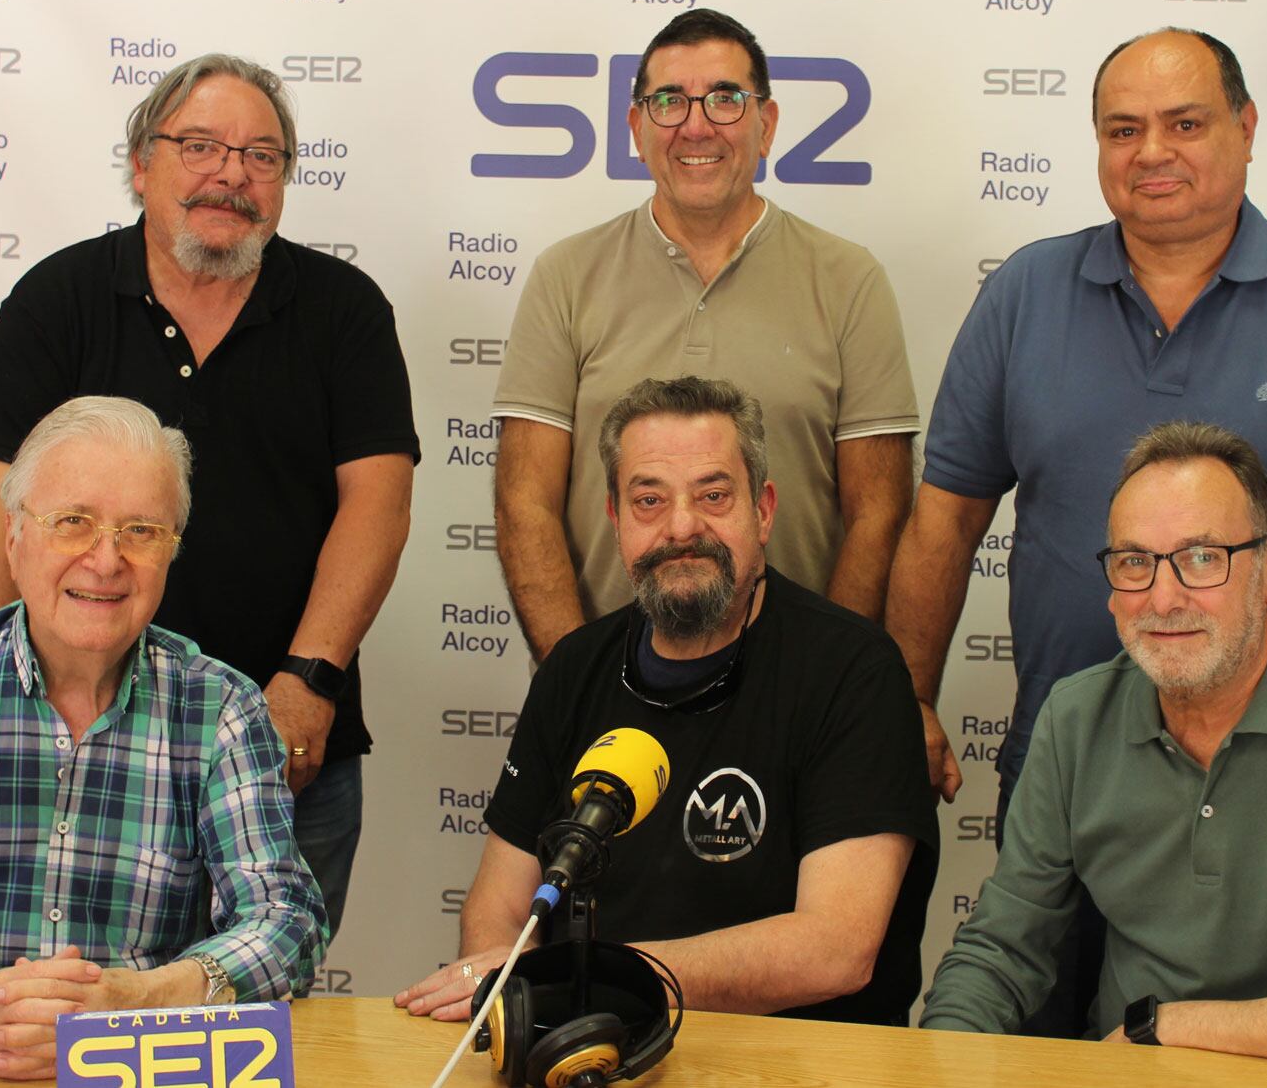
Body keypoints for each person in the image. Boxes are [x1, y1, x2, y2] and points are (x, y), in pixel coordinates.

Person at [887, 28, 1267, 896]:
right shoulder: (1022, 296)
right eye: (1123, 129)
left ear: (1247, 127)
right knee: (1043, 1020)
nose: (1152, 153)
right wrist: (908, 702)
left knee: (1266, 1030)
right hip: (1067, 770)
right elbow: (944, 520)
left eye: (1185, 123)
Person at [0, 53, 418, 940]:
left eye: (261, 156)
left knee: (264, 1027)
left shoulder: (344, 311)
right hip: (79, 746)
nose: (231, 174)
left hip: (287, 746)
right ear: (140, 163)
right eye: (200, 145)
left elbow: (378, 506)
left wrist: (309, 680)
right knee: (67, 1025)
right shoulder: (54, 303)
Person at [0, 397, 328, 1081]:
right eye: (73, 521)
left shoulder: (221, 707)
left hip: (135, 1068)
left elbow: (289, 920)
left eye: (141, 530)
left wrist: (143, 999)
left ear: (172, 550)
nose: (106, 560)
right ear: (14, 537)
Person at [919, 421, 1267, 1073]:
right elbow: (1002, 951)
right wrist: (934, 1064)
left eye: (1203, 557)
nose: (1164, 597)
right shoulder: (1074, 719)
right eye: (1135, 561)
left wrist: (1170, 1025)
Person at [396, 377, 937, 1024]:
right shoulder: (575, 667)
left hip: (791, 1061)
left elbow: (835, 949)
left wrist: (587, 977)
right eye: (649, 499)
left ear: (763, 510)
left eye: (713, 495)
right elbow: (500, 906)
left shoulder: (854, 669)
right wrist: (519, 1005)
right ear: (616, 519)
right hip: (586, 1040)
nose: (682, 527)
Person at [492, 9, 917, 662]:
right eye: (669, 101)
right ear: (635, 129)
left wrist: (824, 685)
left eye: (724, 99)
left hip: (794, 694)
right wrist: (576, 681)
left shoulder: (847, 279)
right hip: (610, 684)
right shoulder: (566, 277)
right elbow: (525, 503)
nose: (696, 124)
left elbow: (878, 514)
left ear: (766, 124)